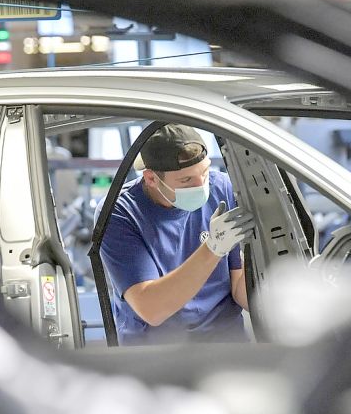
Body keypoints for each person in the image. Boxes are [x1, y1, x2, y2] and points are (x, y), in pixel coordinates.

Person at [100, 124, 255, 345]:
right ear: (151, 178)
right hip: (157, 352)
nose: (201, 185)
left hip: (224, 341)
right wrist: (213, 247)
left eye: (205, 172)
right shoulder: (120, 212)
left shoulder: (222, 188)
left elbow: (238, 285)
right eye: (186, 180)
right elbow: (152, 309)